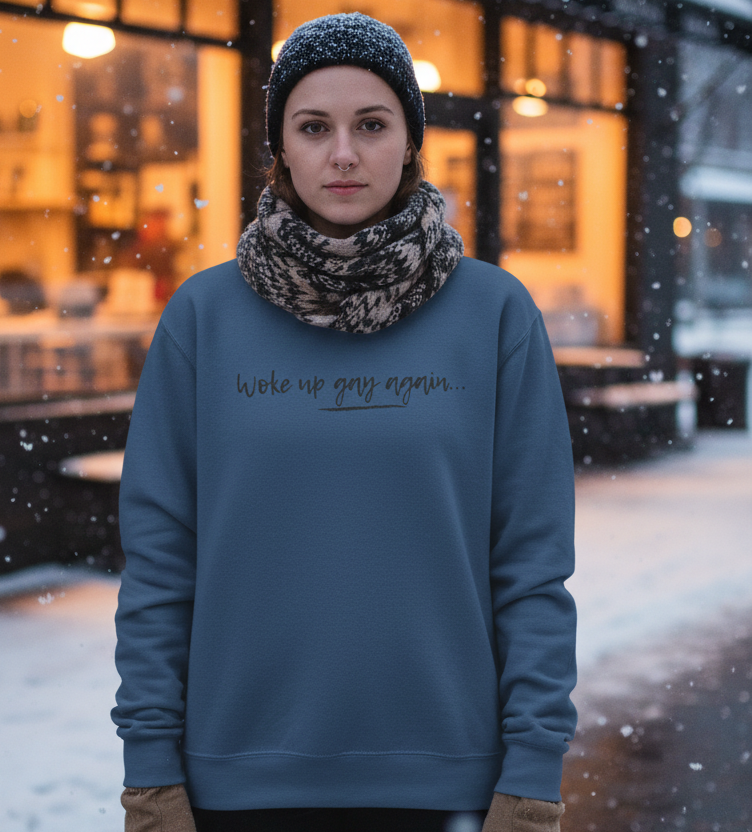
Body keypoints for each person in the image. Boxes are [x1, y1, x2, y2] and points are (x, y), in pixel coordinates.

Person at [112, 13, 577, 832]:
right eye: (313, 127)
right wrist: (151, 769)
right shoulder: (205, 317)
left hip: (449, 784)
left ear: (409, 140)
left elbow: (532, 564)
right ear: (281, 148)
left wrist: (533, 768)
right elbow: (159, 563)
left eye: (371, 124)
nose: (343, 154)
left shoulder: (493, 314)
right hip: (234, 780)